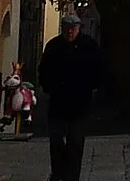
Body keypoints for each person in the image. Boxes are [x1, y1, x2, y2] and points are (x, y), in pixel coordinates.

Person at [38, 11, 105, 181]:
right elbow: (44, 70)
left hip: (80, 103)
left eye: (73, 28)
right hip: (58, 103)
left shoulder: (89, 46)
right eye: (67, 28)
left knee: (75, 142)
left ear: (78, 29)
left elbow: (99, 69)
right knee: (56, 141)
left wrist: (91, 87)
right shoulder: (53, 46)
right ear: (63, 29)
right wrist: (48, 87)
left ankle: (72, 176)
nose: (70, 32)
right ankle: (59, 173)